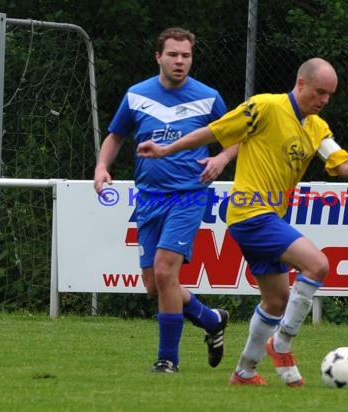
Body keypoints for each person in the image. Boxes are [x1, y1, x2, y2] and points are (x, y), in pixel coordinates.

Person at [137, 57, 348, 386]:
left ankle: (244, 372)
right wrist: (166, 149)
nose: (324, 100)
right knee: (317, 265)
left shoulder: (317, 128)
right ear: (301, 84)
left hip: (269, 216)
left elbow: (343, 165)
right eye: (319, 92)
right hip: (249, 213)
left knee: (276, 300)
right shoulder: (264, 107)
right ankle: (282, 343)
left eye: (329, 95)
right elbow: (215, 131)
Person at [94, 27, 238, 373]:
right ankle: (211, 319)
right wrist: (101, 167)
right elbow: (115, 137)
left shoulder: (208, 97)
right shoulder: (136, 96)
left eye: (185, 55)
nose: (179, 61)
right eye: (173, 54)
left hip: (188, 196)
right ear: (158, 56)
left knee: (164, 271)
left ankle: (167, 360)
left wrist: (220, 160)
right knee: (153, 284)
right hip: (149, 199)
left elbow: (238, 136)